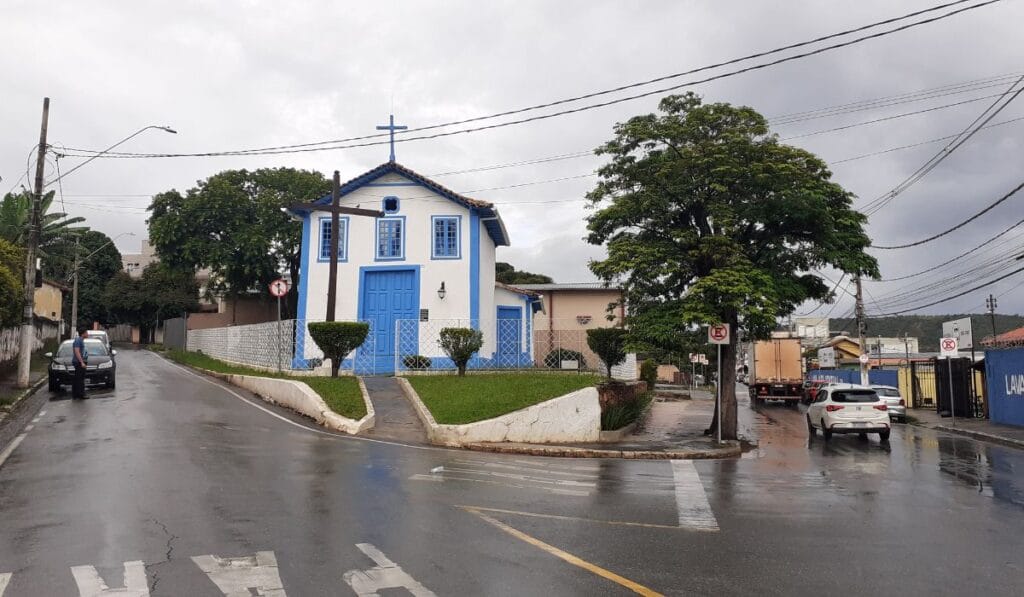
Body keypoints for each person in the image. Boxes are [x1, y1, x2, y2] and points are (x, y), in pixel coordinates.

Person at [72, 325, 90, 399]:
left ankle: (76, 394)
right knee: (79, 379)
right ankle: (80, 394)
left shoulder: (80, 340)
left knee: (79, 378)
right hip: (79, 362)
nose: (87, 334)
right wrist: (82, 362)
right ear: (83, 334)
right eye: (86, 332)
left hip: (80, 361)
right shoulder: (78, 340)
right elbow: (77, 352)